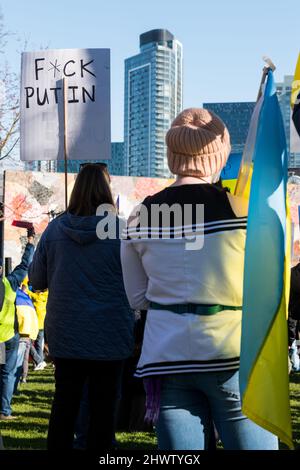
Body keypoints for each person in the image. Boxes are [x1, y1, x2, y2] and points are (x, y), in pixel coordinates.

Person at [121, 108, 278, 450]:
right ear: (218, 157)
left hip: (166, 357)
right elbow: (269, 287)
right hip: (233, 354)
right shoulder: (245, 212)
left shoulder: (137, 216)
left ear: (172, 157)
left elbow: (136, 298)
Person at [29, 164, 135, 451]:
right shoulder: (123, 230)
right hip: (111, 333)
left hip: (67, 333)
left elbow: (36, 280)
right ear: (106, 190)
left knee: (65, 405)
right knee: (104, 411)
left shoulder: (54, 231)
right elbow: (140, 284)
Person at [0, 236, 34, 420]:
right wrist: (30, 244)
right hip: (8, 336)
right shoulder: (9, 283)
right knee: (7, 373)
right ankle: (4, 410)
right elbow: (24, 265)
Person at [14, 283, 39, 392]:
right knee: (24, 359)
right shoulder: (28, 300)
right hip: (28, 334)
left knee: (13, 361)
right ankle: (23, 378)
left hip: (17, 333)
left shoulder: (14, 298)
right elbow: (34, 319)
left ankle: (13, 385)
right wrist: (33, 334)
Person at [288, 261, 300, 372]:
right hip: (294, 312)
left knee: (293, 339)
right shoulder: (292, 273)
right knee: (292, 339)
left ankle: (295, 364)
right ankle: (295, 364)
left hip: (294, 312)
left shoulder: (292, 272)